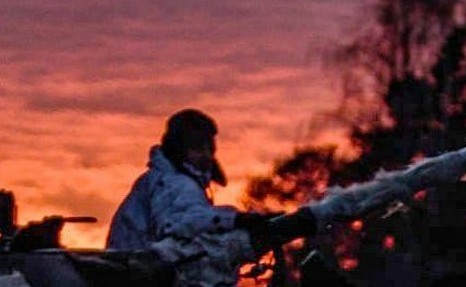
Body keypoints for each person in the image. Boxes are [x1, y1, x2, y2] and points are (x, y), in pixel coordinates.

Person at [107, 109, 314, 255]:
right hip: (145, 283)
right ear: (178, 150)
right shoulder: (174, 184)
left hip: (140, 274)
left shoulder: (156, 181)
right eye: (198, 148)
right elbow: (181, 221)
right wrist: (238, 220)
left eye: (209, 149)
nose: (206, 156)